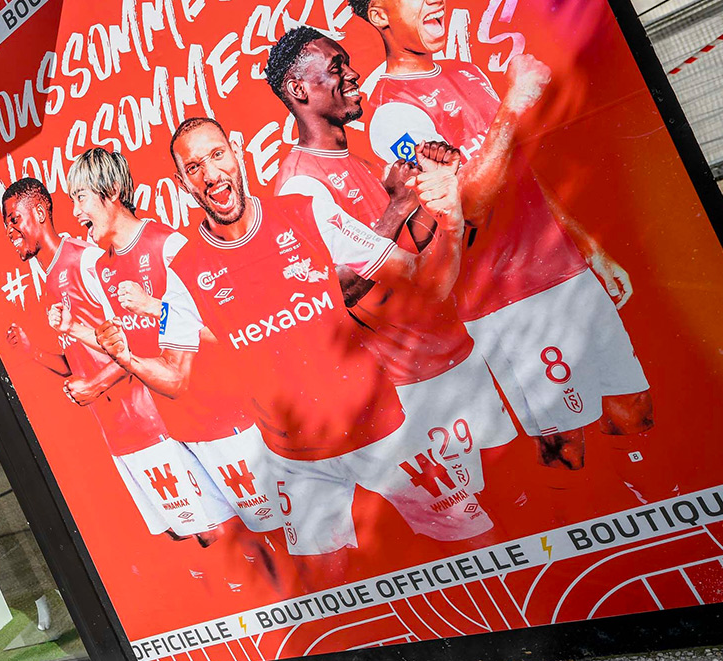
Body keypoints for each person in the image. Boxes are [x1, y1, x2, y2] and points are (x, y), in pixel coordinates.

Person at [97, 116, 483, 562]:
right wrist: (126, 356)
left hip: (380, 430)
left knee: (470, 542)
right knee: (329, 590)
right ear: (182, 182)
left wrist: (451, 220)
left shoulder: (305, 212)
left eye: (217, 155)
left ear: (237, 152)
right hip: (296, 460)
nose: (210, 173)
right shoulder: (183, 271)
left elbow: (425, 283)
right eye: (195, 167)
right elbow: (176, 379)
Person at [353, 0, 653, 475]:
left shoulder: (467, 74)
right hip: (508, 302)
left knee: (634, 407)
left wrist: (588, 248)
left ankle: (650, 512)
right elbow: (467, 207)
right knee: (565, 445)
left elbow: (517, 172)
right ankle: (580, 535)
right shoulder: (392, 114)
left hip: (564, 271)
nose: (435, 1)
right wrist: (513, 104)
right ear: (379, 14)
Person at [264, 27, 517, 542]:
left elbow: (415, 251)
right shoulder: (301, 184)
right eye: (336, 69)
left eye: (347, 64)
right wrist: (415, 205)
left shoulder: (357, 164)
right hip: (417, 390)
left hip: (458, 362)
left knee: (518, 504)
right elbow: (340, 288)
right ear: (299, 89)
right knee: (479, 539)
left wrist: (434, 193)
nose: (353, 74)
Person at [0, 178, 231, 545]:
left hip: (149, 422)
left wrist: (96, 385)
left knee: (210, 530)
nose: (9, 230)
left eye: (14, 219)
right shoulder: (48, 280)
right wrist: (34, 354)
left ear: (40, 212)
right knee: (178, 532)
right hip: (118, 434)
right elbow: (78, 363)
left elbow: (139, 339)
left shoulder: (86, 261)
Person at [62, 148, 280, 536]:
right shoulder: (102, 266)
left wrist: (158, 309)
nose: (76, 212)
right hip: (176, 433)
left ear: (111, 190)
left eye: (80, 197)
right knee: (225, 541)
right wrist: (78, 331)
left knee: (279, 532)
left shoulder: (169, 246)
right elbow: (130, 348)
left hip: (227, 423)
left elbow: (229, 334)